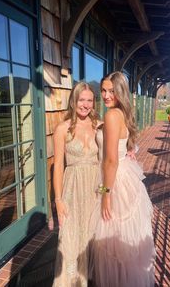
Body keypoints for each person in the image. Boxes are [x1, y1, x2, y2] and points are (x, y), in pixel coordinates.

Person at [89, 71, 156, 287]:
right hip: (126, 176)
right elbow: (124, 142)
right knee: (125, 243)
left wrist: (106, 194)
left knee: (112, 241)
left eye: (112, 91)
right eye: (104, 91)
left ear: (120, 92)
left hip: (113, 180)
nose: (107, 95)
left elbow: (110, 161)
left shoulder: (111, 115)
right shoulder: (120, 114)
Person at [52, 82, 101, 287]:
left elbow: (111, 157)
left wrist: (106, 192)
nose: (86, 104)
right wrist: (58, 200)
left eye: (89, 100)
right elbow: (58, 168)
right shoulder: (62, 128)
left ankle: (89, 279)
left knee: (93, 237)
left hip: (95, 190)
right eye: (82, 100)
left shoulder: (99, 125)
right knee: (70, 240)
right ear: (74, 101)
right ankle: (71, 282)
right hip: (72, 190)